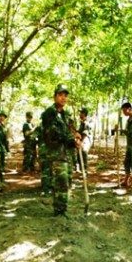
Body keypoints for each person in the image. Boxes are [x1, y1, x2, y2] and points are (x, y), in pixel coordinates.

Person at [41, 83, 81, 217]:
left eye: (65, 95)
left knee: (65, 182)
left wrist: (75, 139)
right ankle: (60, 211)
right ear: (55, 97)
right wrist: (70, 138)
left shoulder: (65, 115)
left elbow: (70, 131)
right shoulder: (49, 113)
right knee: (60, 182)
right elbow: (54, 133)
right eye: (60, 95)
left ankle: (61, 208)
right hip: (55, 153)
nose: (63, 98)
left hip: (65, 153)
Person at [77, 107, 92, 175]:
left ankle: (85, 170)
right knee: (79, 155)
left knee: (83, 153)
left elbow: (85, 133)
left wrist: (81, 141)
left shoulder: (86, 122)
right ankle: (82, 169)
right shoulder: (82, 122)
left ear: (84, 114)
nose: (79, 114)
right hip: (82, 140)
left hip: (85, 140)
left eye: (81, 113)